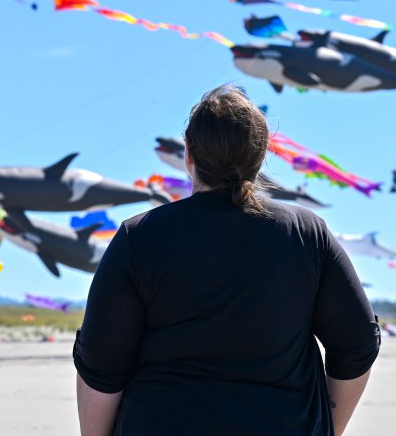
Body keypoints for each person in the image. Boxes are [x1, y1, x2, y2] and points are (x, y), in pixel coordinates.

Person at [74, 86, 380, 435]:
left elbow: (101, 365)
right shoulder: (306, 233)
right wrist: (327, 428)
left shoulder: (139, 237)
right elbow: (357, 345)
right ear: (261, 153)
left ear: (189, 153)